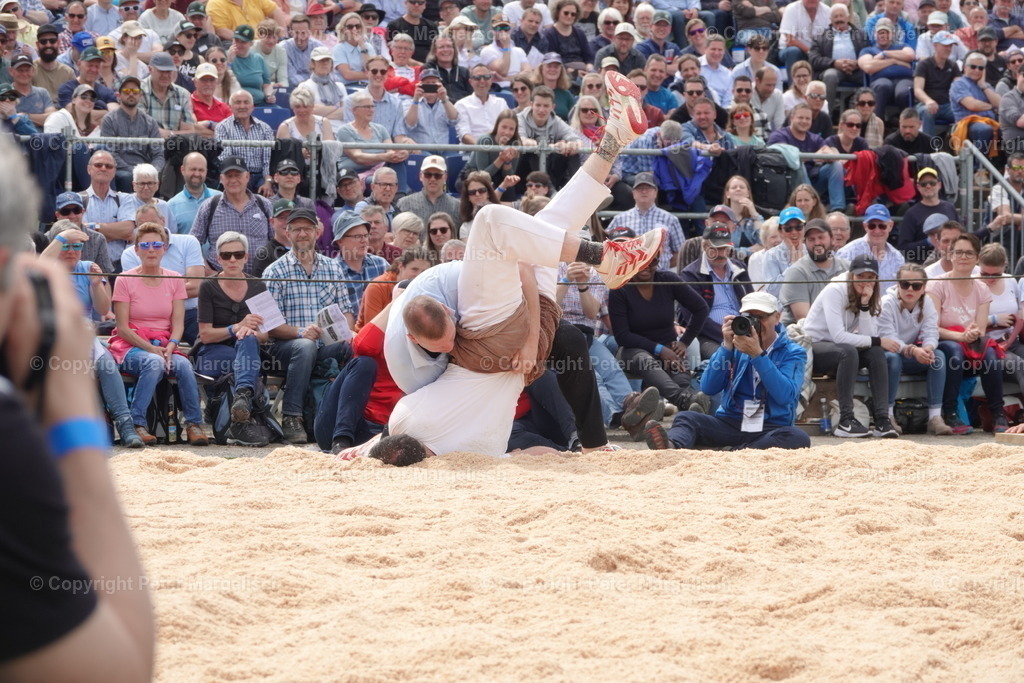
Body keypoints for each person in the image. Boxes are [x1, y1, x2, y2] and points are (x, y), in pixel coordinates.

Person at [371, 73, 661, 461]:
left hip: (520, 346)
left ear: (446, 311)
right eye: (442, 346)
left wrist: (364, 449)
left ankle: (615, 138)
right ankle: (605, 257)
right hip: (504, 345)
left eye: (447, 335)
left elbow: (520, 455)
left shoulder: (442, 426)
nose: (448, 344)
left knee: (553, 224)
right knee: (490, 220)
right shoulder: (413, 405)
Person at [644, 291, 810, 450]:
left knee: (797, 437)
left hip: (771, 427)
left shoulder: (793, 352)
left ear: (777, 318)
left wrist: (757, 355)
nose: (755, 324)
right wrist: (726, 347)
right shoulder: (734, 346)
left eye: (760, 317)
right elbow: (709, 388)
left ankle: (734, 452)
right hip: (731, 422)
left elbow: (785, 395)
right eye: (749, 318)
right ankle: (671, 447)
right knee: (686, 418)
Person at [108, 222, 207, 446]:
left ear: (164, 248)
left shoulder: (175, 279)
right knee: (153, 362)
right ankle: (136, 424)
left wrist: (171, 346)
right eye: (145, 245)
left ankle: (194, 424)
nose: (151, 249)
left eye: (156, 244)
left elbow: (178, 324)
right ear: (137, 250)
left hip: (165, 344)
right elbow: (122, 327)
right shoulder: (124, 279)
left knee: (183, 366)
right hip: (130, 344)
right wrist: (153, 349)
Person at [264, 209, 353, 443]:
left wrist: (348, 333)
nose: (302, 233)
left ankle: (353, 415)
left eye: (307, 228)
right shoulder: (273, 272)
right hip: (286, 347)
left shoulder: (333, 268)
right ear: (287, 233)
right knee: (305, 346)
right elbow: (271, 326)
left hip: (326, 344)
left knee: (355, 347)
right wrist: (301, 332)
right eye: (296, 229)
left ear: (317, 231)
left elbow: (346, 311)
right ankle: (292, 416)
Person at [803, 254, 901, 438]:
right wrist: (879, 340)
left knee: (875, 353)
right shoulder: (835, 290)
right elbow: (838, 336)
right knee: (849, 351)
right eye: (860, 276)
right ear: (851, 275)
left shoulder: (869, 293)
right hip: (816, 347)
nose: (865, 282)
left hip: (838, 349)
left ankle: (882, 420)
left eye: (870, 278)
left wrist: (864, 305)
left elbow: (867, 336)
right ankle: (845, 421)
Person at [195, 231, 275, 446]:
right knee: (245, 361)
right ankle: (243, 406)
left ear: (246, 257)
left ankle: (241, 401)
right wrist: (236, 327)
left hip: (247, 352)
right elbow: (206, 335)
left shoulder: (258, 285)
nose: (232, 260)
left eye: (238, 255)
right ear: (218, 258)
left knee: (248, 341)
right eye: (226, 255)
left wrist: (248, 332)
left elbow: (264, 335)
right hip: (213, 352)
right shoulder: (208, 286)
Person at [609, 244, 711, 412]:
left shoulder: (667, 279)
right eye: (642, 261)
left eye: (653, 261)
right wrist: (659, 350)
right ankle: (685, 401)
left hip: (669, 347)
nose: (647, 266)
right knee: (646, 360)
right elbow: (622, 336)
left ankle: (692, 410)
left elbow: (701, 309)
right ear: (632, 261)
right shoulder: (620, 288)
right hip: (632, 351)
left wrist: (684, 342)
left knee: (681, 375)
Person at [927, 233, 1008, 433]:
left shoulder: (981, 288)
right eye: (959, 252)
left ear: (977, 258)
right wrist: (960, 336)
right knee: (955, 351)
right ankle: (951, 412)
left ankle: (998, 412)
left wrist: (971, 333)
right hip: (945, 340)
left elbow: (980, 329)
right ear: (951, 255)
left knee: (990, 354)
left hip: (970, 341)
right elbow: (931, 328)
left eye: (969, 253)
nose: (963, 257)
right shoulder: (936, 284)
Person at [880, 263, 953, 435]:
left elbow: (931, 332)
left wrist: (927, 349)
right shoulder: (887, 303)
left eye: (916, 285)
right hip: (886, 354)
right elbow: (889, 337)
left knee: (938, 356)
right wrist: (914, 351)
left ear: (923, 288)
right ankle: (887, 415)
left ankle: (935, 417)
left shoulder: (927, 302)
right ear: (898, 285)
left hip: (911, 354)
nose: (910, 289)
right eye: (905, 284)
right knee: (893, 358)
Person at [120, 204, 204, 346]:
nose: (149, 227)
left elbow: (196, 286)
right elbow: (137, 294)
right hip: (148, 318)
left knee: (206, 343)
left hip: (189, 313)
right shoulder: (130, 253)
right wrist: (175, 289)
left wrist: (156, 291)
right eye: (142, 224)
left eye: (152, 222)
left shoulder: (188, 242)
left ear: (163, 221)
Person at [190, 155, 274, 274]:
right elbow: (193, 244)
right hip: (220, 284)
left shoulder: (265, 205)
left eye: (238, 175)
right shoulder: (209, 206)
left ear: (247, 177)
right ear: (221, 179)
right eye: (229, 176)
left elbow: (277, 241)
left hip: (260, 282)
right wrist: (209, 272)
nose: (233, 180)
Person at [681, 223, 754, 359]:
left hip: (744, 331)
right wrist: (730, 335)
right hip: (708, 337)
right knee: (725, 359)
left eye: (725, 248)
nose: (721, 254)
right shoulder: (691, 274)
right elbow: (693, 318)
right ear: (704, 247)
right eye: (715, 248)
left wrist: (746, 331)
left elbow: (752, 302)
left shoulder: (740, 268)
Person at [767, 102, 845, 212]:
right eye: (800, 118)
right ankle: (809, 205)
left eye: (808, 118)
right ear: (792, 118)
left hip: (813, 180)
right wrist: (813, 157)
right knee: (799, 164)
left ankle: (838, 210)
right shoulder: (779, 135)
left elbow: (829, 152)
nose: (804, 121)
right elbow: (783, 157)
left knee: (836, 166)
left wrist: (827, 154)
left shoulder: (814, 138)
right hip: (788, 183)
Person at [606, 172, 684, 270]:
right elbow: (607, 248)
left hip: (660, 276)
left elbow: (680, 252)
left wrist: (663, 266)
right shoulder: (619, 219)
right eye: (639, 188)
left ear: (655, 192)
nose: (644, 191)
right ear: (633, 193)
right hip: (628, 278)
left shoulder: (670, 219)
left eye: (648, 188)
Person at [100, 74, 166, 188]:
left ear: (140, 95)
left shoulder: (150, 122)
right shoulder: (109, 120)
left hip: (146, 170)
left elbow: (158, 155)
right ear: (118, 95)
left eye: (135, 91)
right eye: (126, 91)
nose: (131, 94)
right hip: (121, 170)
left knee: (164, 175)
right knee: (126, 177)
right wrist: (136, 172)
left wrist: (152, 171)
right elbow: (110, 154)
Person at [780, 218, 849, 324]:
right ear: (805, 243)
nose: (817, 243)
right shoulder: (797, 272)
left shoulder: (847, 268)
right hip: (805, 336)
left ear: (832, 238)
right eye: (811, 239)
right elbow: (805, 320)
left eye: (821, 237)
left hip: (842, 331)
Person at [979, 243, 1024, 401]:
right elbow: (964, 322)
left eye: (995, 275)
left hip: (1011, 342)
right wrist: (992, 320)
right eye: (984, 274)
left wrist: (1010, 340)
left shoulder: (1011, 281)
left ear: (1005, 266)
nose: (990, 279)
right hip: (986, 346)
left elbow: (1019, 317)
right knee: (1020, 366)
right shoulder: (971, 283)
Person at [809, 4, 869, 116]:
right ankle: (825, 116)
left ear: (847, 17)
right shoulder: (820, 36)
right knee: (830, 76)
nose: (839, 19)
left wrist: (858, 64)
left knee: (872, 76)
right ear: (830, 19)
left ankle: (865, 118)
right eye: (835, 17)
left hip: (857, 70)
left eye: (842, 16)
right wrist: (834, 63)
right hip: (833, 70)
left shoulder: (861, 35)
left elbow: (869, 53)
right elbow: (814, 59)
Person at [336, 89, 409, 178]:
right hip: (354, 174)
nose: (371, 110)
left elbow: (390, 150)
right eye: (367, 107)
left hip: (378, 172)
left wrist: (401, 154)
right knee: (380, 182)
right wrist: (384, 157)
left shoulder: (380, 129)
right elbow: (358, 157)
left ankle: (401, 192)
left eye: (372, 106)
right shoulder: (344, 131)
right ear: (355, 110)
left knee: (398, 163)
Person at [356, 247, 432, 331]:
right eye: (414, 269)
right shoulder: (378, 286)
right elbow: (372, 329)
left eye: (424, 271)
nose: (419, 275)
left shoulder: (425, 287)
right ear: (401, 266)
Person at [897, 167, 960, 263]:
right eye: (923, 184)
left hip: (951, 264)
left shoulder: (950, 208)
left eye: (932, 183)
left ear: (939, 185)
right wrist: (928, 242)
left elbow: (962, 236)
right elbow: (903, 248)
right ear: (918, 187)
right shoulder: (911, 213)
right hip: (923, 268)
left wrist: (989, 228)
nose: (928, 186)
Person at [859, 19, 916, 120]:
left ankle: (907, 125)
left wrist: (885, 54)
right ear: (875, 34)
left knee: (903, 92)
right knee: (883, 86)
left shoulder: (902, 46)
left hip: (903, 80)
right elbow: (868, 67)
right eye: (880, 32)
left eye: (887, 32)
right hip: (879, 81)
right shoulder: (868, 50)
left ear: (893, 34)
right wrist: (894, 61)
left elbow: (910, 55)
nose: (883, 35)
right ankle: (876, 124)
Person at [46, 196, 114, 275]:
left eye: (76, 210)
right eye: (65, 211)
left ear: (83, 212)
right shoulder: (45, 238)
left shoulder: (97, 238)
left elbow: (105, 277)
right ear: (57, 215)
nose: (72, 216)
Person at [914, 31, 960, 136]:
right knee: (928, 111)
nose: (948, 49)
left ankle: (959, 146)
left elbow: (958, 86)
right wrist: (928, 101)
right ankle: (929, 146)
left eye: (950, 46)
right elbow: (917, 90)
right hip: (925, 104)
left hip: (947, 105)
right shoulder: (923, 65)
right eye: (945, 45)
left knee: (962, 113)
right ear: (935, 45)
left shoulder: (953, 66)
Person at [396, 155, 460, 226]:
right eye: (428, 175)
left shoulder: (457, 206)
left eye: (437, 175)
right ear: (421, 176)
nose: (432, 179)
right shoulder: (405, 204)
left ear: (445, 177)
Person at [168, 152, 222, 236]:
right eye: (193, 169)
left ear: (206, 172)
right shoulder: (171, 206)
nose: (197, 174)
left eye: (201, 170)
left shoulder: (221, 199)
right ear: (182, 170)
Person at [296, 48, 346, 133]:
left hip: (340, 131)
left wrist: (322, 111)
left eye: (328, 60)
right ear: (312, 64)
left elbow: (346, 112)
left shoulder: (340, 86)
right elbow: (309, 113)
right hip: (316, 131)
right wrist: (337, 107)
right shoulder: (304, 86)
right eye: (321, 60)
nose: (325, 63)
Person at [762, 205, 808, 296]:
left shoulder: (812, 252)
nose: (794, 232)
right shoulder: (771, 255)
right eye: (788, 228)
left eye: (798, 227)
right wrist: (793, 266)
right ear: (780, 231)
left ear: (804, 228)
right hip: (783, 307)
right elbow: (772, 291)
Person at [778, 0, 832, 73]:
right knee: (793, 51)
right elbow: (790, 41)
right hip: (790, 50)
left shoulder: (827, 11)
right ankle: (794, 84)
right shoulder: (791, 9)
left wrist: (816, 54)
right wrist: (811, 52)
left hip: (816, 52)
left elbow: (830, 38)